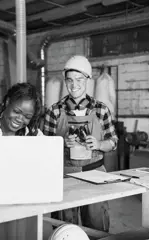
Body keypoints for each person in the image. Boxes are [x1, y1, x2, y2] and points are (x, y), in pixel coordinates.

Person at [43, 55, 118, 232]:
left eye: (79, 79)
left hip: (95, 175)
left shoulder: (101, 110)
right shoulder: (54, 111)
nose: (74, 85)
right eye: (69, 80)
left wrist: (99, 144)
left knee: (96, 224)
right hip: (64, 176)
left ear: (87, 80)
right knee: (64, 226)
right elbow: (44, 148)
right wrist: (62, 142)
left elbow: (113, 142)